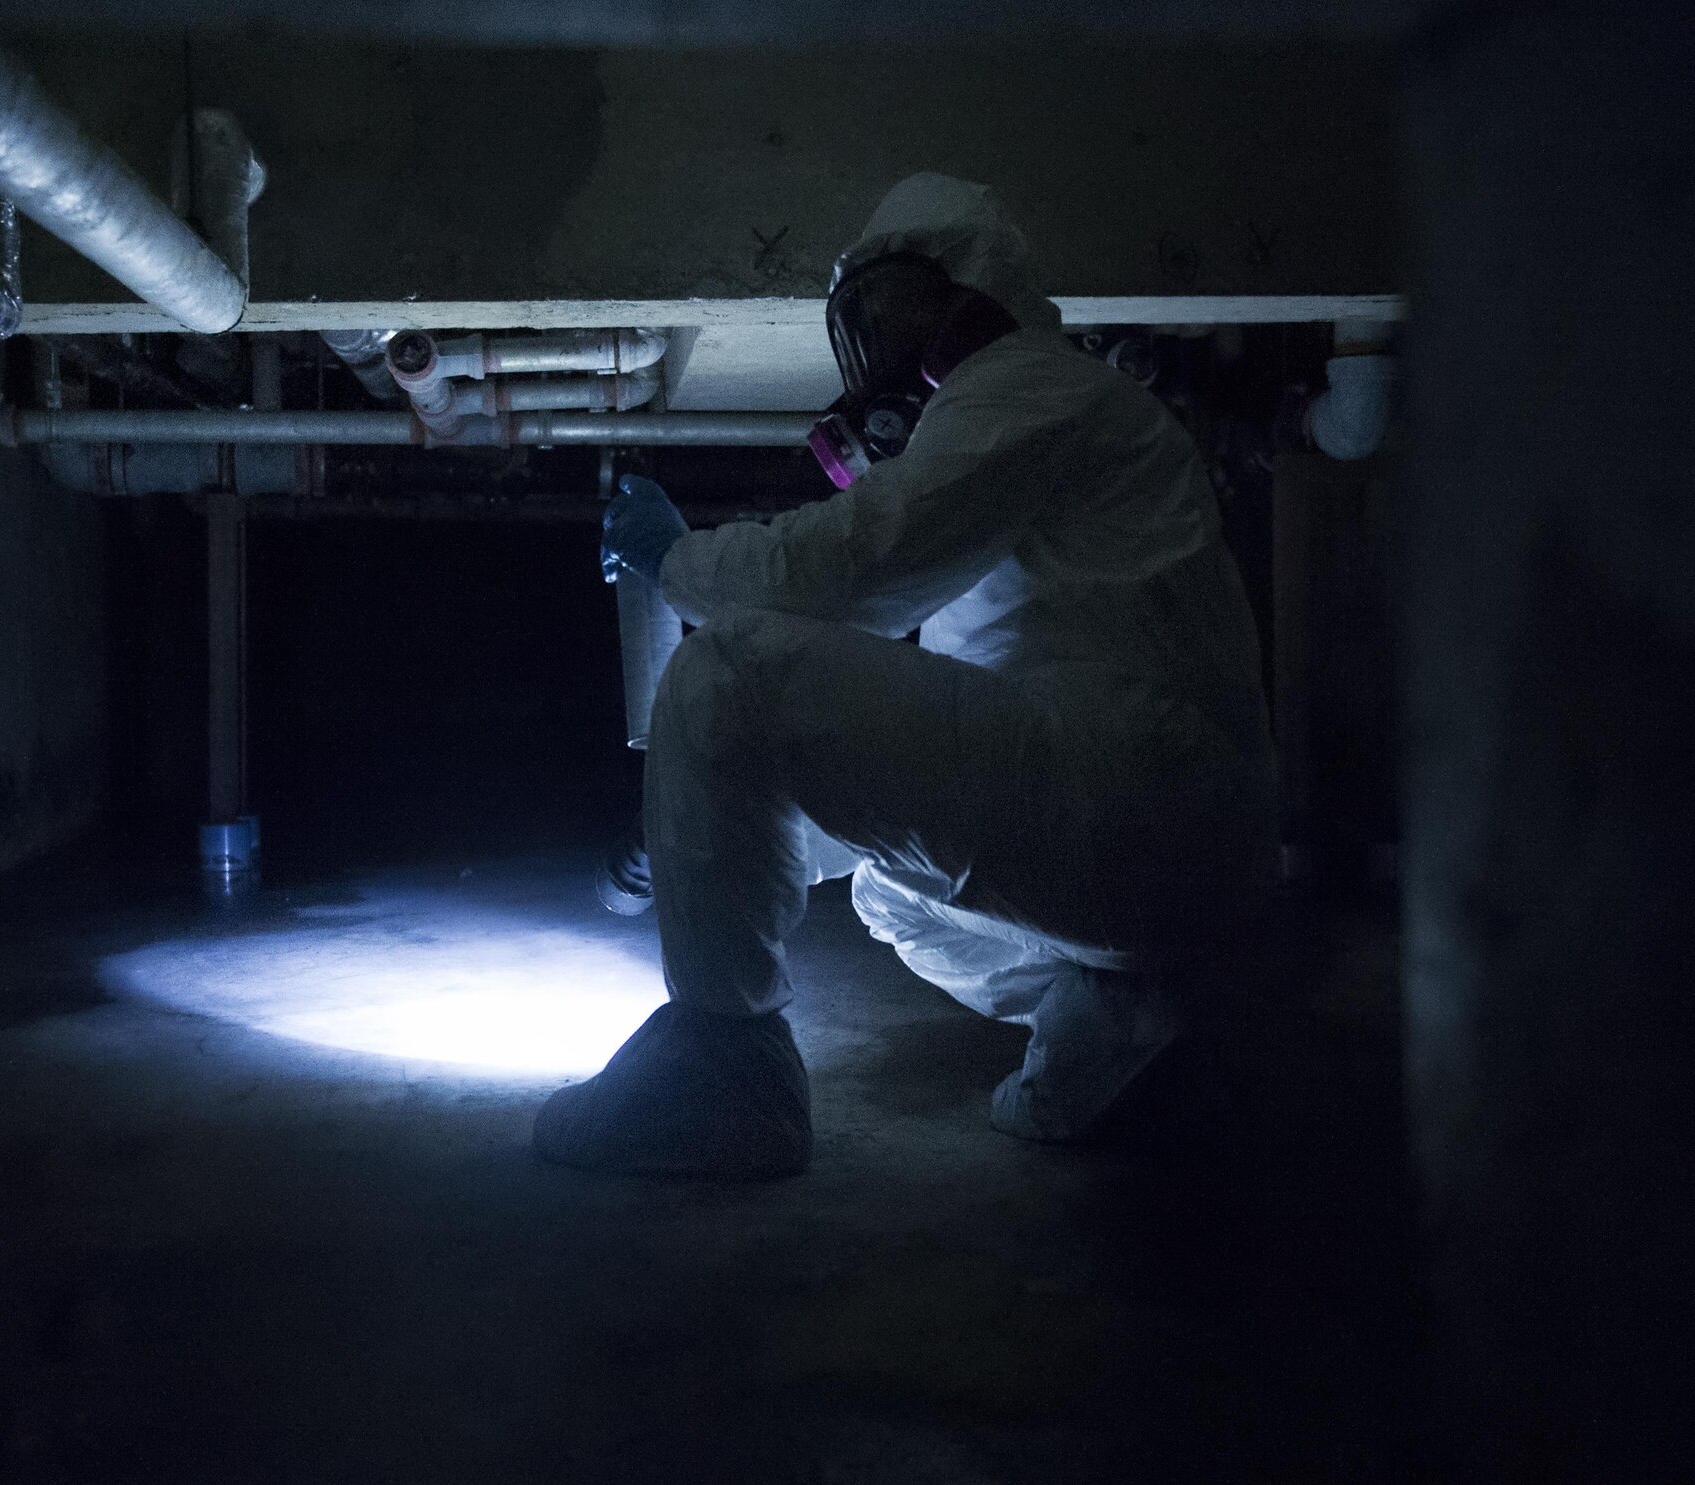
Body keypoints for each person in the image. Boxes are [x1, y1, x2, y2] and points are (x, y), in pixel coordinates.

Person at [536, 173, 1278, 1178]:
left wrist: (676, 562)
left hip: (1134, 789)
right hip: (1158, 827)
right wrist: (698, 829)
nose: (878, 341)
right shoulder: (1032, 414)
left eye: (894, 308)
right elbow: (918, 748)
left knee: (734, 668)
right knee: (894, 897)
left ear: (973, 294)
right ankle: (1129, 1024)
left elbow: (851, 573)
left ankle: (722, 1078)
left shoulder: (1028, 382)